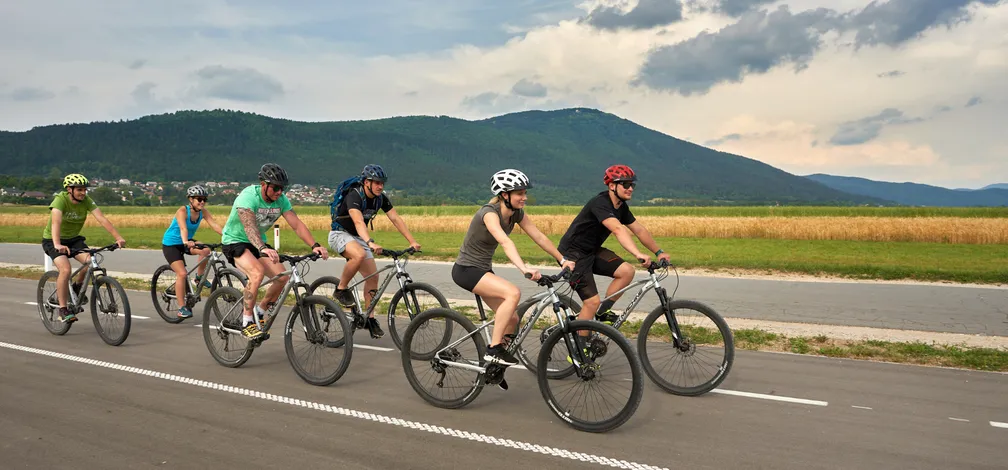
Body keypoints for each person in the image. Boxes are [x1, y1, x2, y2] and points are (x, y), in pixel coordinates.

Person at [452, 169, 575, 366]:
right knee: (513, 293)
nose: (524, 197)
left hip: (483, 270)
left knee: (512, 319)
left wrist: (562, 259)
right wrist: (524, 269)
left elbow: (539, 236)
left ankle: (494, 367)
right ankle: (493, 350)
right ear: (504, 195)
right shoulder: (489, 214)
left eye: (524, 193)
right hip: (466, 270)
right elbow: (505, 242)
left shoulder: (516, 214)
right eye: (519, 193)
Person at [220, 163, 328, 338]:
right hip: (235, 241)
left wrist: (314, 245)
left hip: (258, 243)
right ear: (263, 184)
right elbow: (249, 227)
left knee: (282, 278)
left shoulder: (281, 200)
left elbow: (297, 224)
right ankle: (246, 321)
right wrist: (263, 248)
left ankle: (260, 312)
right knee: (257, 273)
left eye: (282, 188)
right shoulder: (248, 197)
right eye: (276, 188)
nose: (279, 192)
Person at [557, 164, 671, 328]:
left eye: (632, 184)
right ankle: (579, 349)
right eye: (625, 184)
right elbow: (618, 229)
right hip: (573, 254)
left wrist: (658, 252)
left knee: (626, 271)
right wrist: (637, 254)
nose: (630, 188)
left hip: (592, 250)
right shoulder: (600, 203)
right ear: (612, 186)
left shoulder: (621, 206)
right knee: (591, 302)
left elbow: (639, 229)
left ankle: (602, 312)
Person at [327, 164, 421, 339]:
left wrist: (412, 241)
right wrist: (369, 242)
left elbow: (395, 218)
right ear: (366, 182)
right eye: (376, 183)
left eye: (382, 183)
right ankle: (340, 289)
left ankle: (369, 318)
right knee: (359, 254)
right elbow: (358, 222)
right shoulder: (354, 195)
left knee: (373, 277)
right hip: (340, 234)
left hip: (359, 238)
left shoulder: (380, 199)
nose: (380, 186)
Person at [41, 173, 127, 323]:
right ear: (69, 189)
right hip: (53, 240)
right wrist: (57, 244)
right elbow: (56, 223)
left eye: (84, 190)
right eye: (79, 190)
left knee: (90, 262)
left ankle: (75, 289)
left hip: (74, 239)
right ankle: (62, 310)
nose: (83, 193)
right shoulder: (60, 200)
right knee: (65, 270)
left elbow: (101, 219)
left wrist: (118, 237)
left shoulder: (86, 201)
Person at [160, 184, 224, 319]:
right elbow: (183, 229)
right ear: (191, 200)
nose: (202, 202)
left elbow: (214, 224)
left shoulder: (203, 212)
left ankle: (199, 278)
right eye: (199, 199)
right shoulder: (183, 211)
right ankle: (181, 308)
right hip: (172, 244)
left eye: (204, 199)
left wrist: (228, 238)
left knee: (206, 250)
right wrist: (185, 242)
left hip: (187, 241)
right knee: (182, 274)